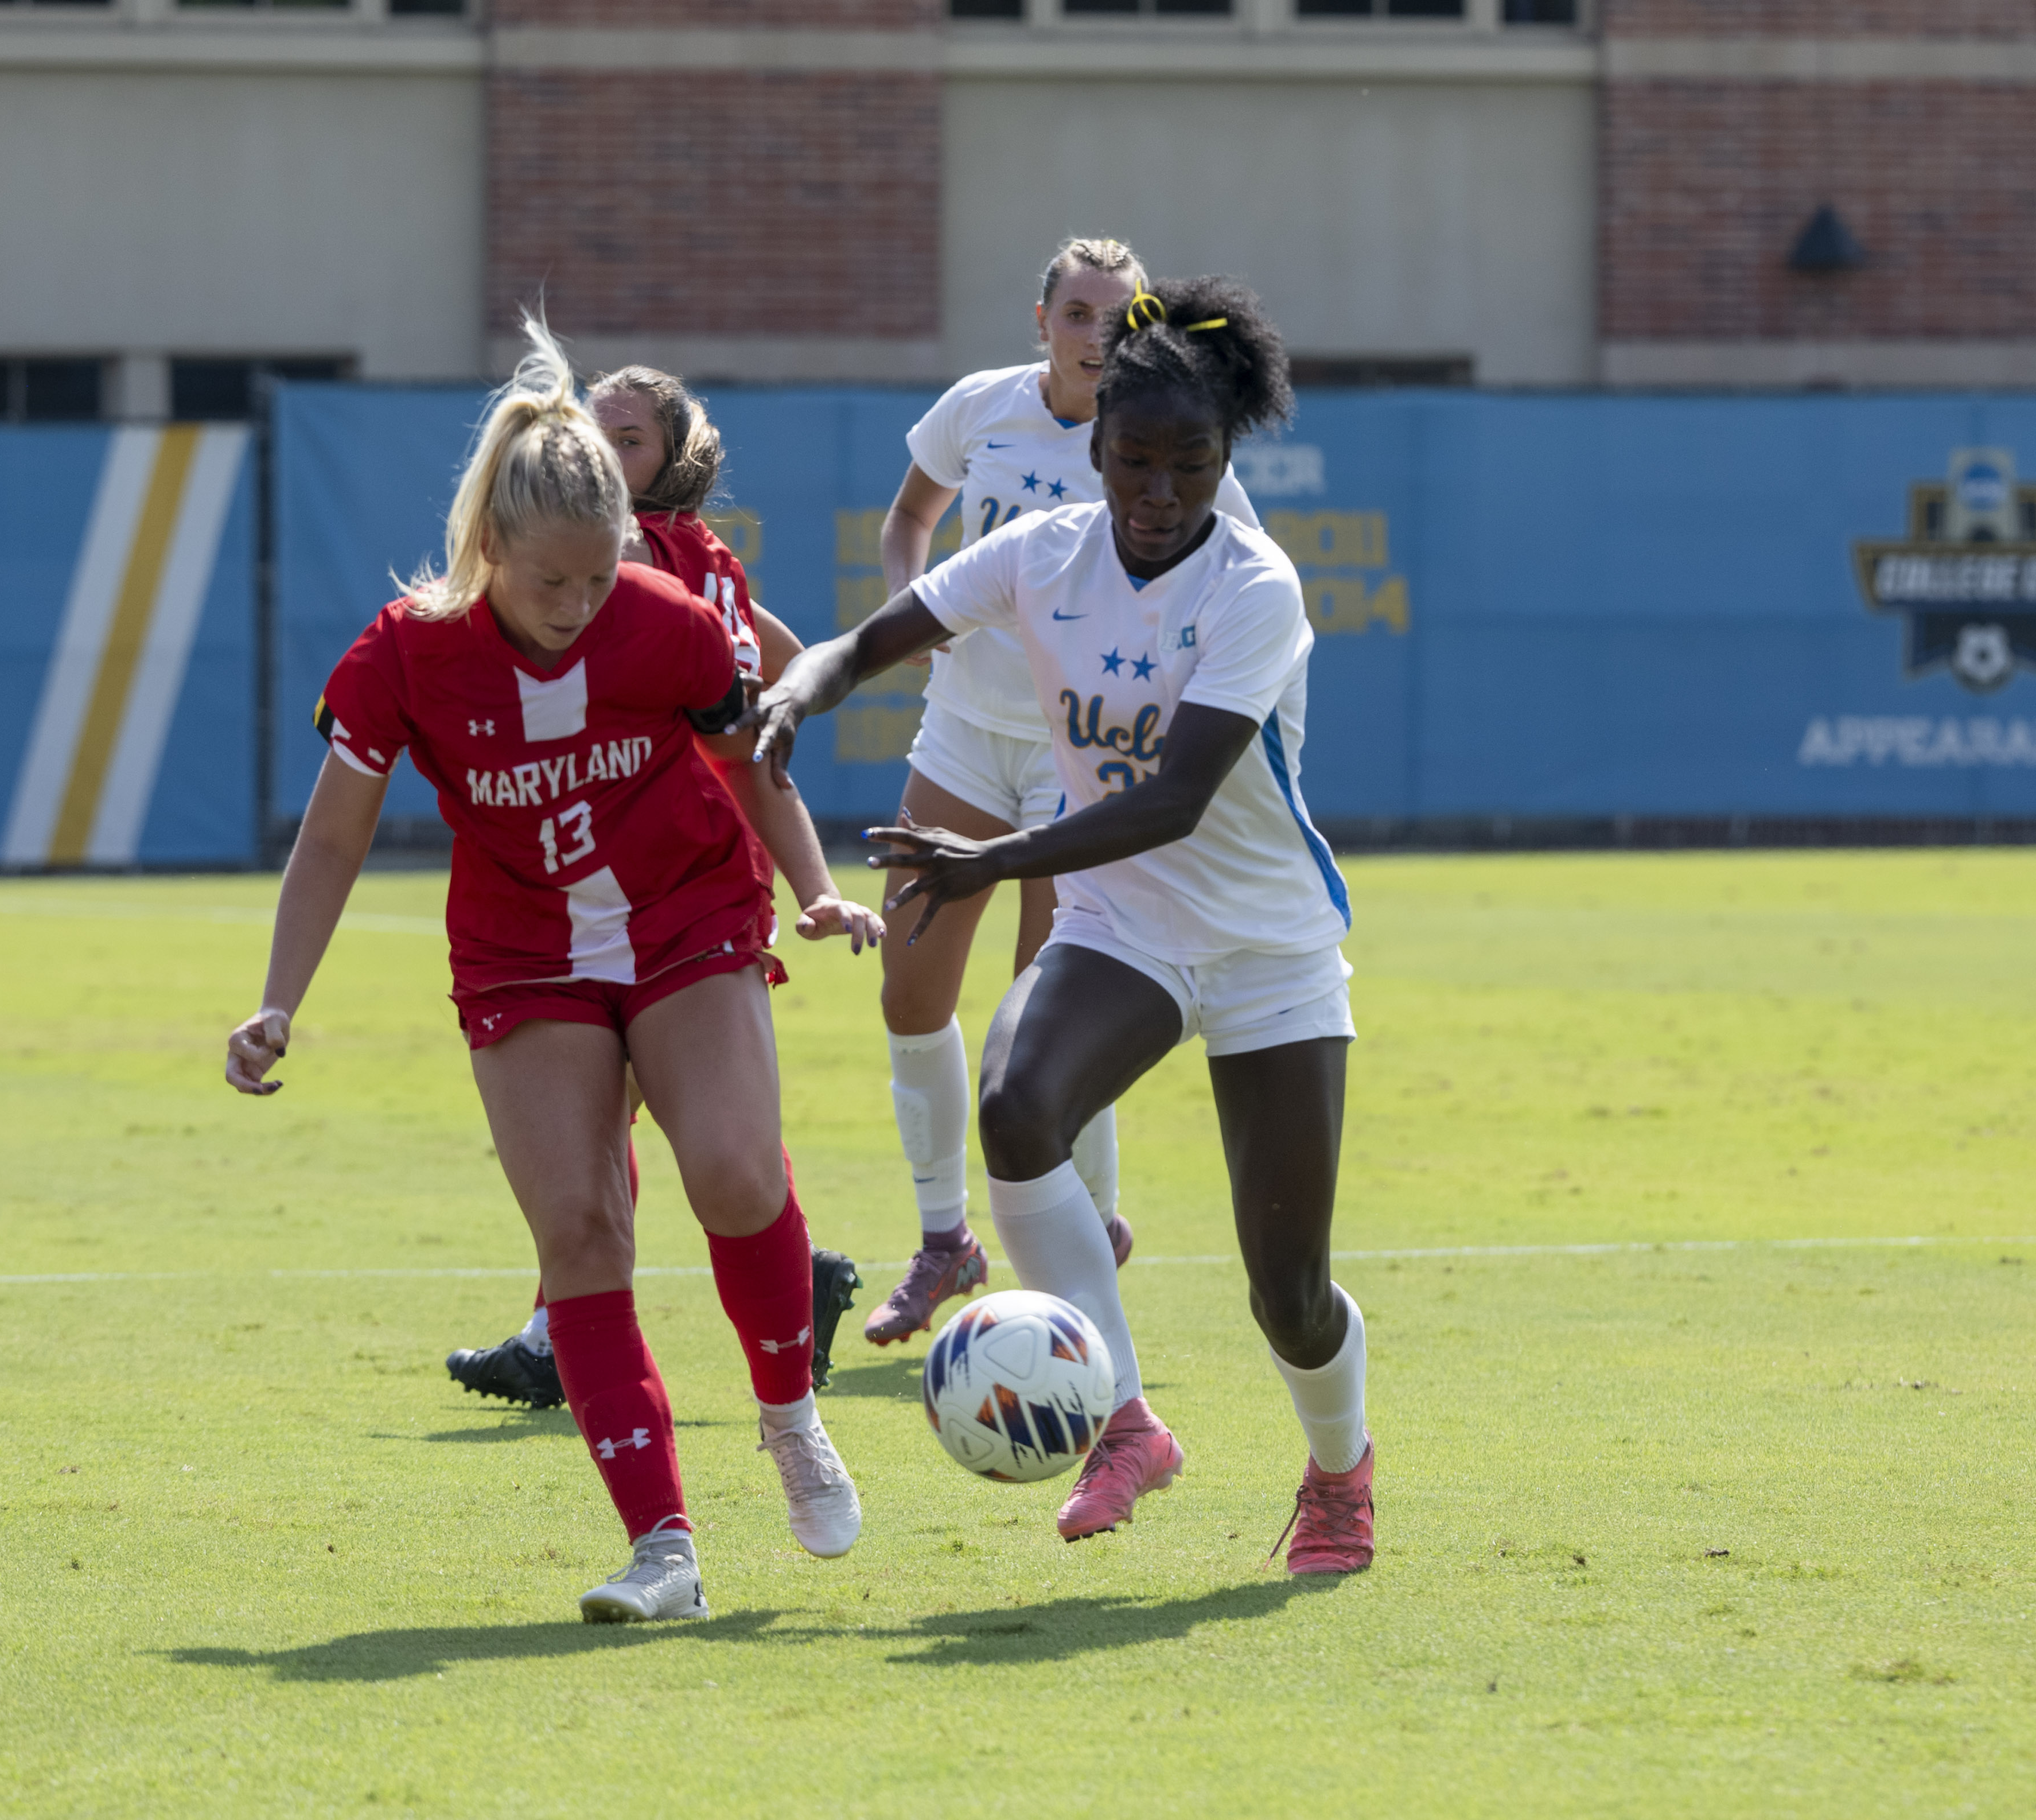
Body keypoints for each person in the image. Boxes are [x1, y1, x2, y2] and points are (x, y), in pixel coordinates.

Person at [228, 316, 862, 1624]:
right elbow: (333, 837)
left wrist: (814, 889)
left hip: (686, 912)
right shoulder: (404, 653)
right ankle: (663, 1550)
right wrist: (278, 1001)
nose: (577, 608)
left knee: (735, 1174)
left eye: (597, 577)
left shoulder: (668, 621)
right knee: (578, 1230)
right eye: (549, 583)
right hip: (525, 951)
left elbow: (749, 763)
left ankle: (789, 1416)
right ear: (488, 548)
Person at [753, 277, 1374, 1574]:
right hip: (1122, 924)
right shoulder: (1043, 554)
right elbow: (870, 639)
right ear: (1096, 446)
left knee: (1289, 1292)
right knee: (1018, 1103)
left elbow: (1174, 797)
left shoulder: (1255, 585)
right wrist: (796, 695)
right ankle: (1126, 1423)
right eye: (1134, 458)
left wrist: (994, 859)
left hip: (1265, 946)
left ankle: (1337, 1473)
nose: (1158, 491)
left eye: (1189, 464)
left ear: (1225, 460)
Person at [445, 364, 879, 1412]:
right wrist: (804, 690)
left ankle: (571, 1332)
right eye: (593, 431)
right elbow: (785, 656)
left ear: (673, 455)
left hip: (673, 855)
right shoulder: (703, 554)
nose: (601, 450)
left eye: (628, 438)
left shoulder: (630, 556)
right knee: (651, 1115)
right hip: (698, 848)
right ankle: (589, 1322)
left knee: (609, 1117)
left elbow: (728, 680)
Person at [859, 236, 1260, 1348]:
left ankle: (1090, 1231)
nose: (1095, 336)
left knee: (1051, 1008)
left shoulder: (1163, 438)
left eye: (1116, 318)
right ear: (1042, 322)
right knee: (909, 991)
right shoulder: (979, 407)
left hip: (1077, 753)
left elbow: (1241, 579)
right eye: (1077, 314)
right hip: (962, 732)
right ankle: (945, 1239)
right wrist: (913, 607)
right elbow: (908, 517)